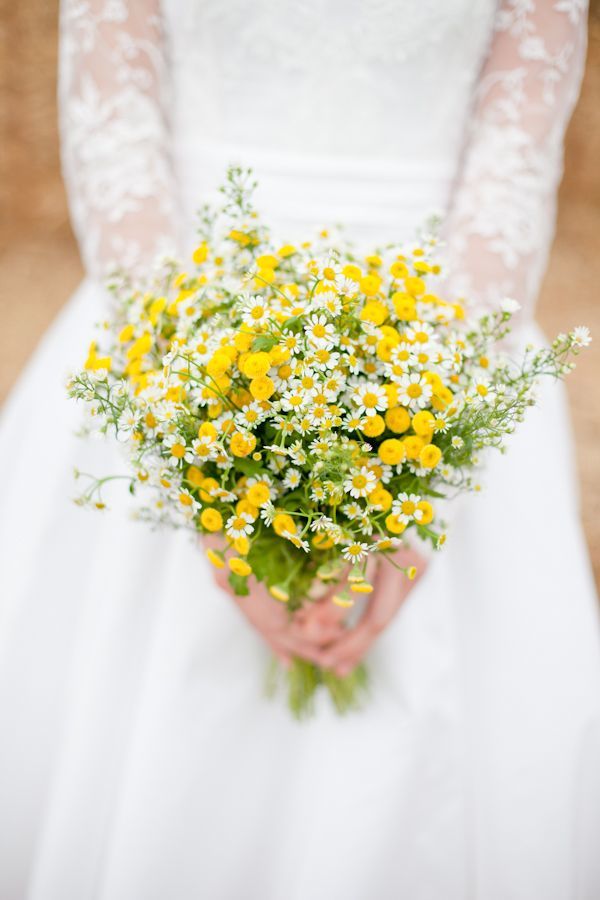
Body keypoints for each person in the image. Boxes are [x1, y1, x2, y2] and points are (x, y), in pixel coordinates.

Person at [1, 1, 599, 897]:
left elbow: (510, 173)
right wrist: (200, 462)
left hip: (439, 338)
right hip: (180, 327)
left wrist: (416, 478)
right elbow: (114, 140)